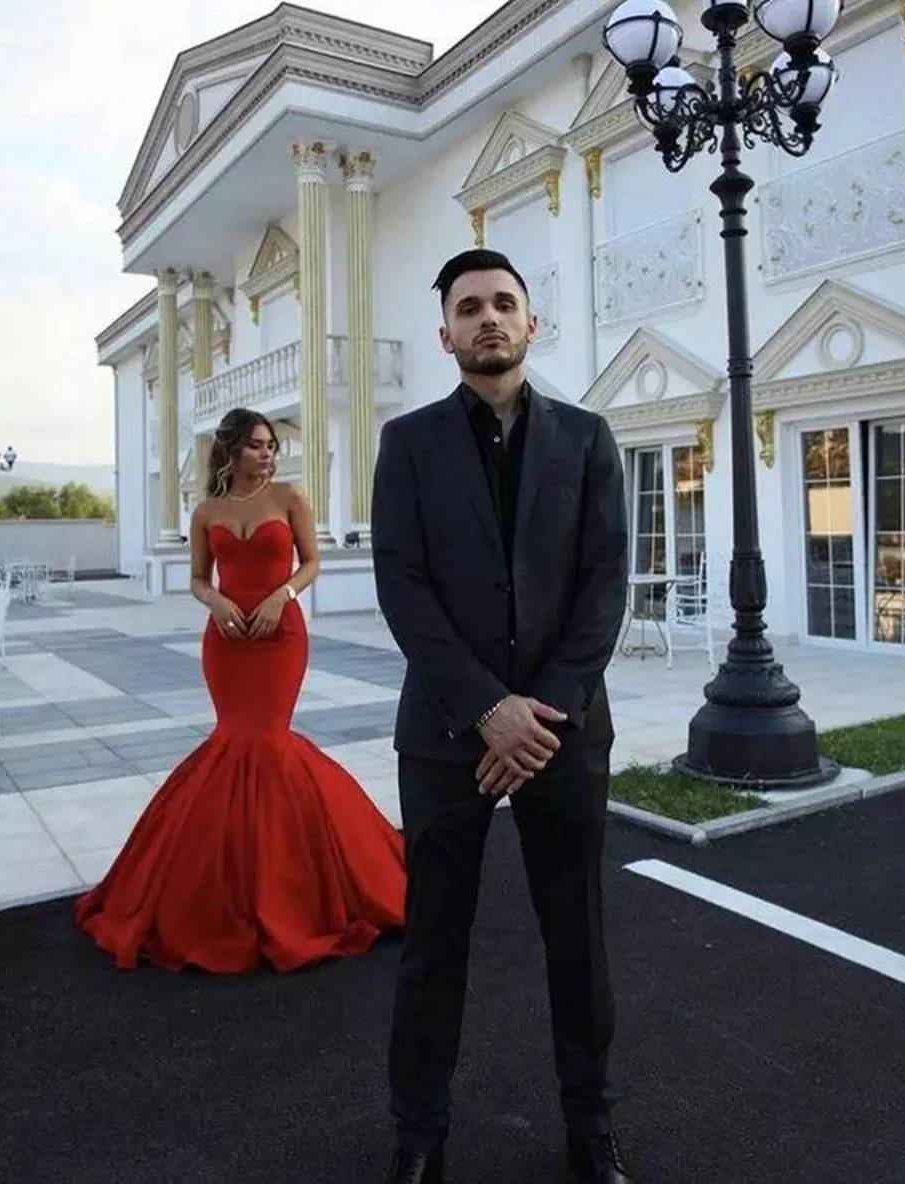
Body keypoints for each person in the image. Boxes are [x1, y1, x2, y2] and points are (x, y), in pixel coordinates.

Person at [372, 250, 632, 1184]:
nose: (489, 319)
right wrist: (488, 709)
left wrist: (540, 711)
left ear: (532, 324)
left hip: (562, 732)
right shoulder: (407, 443)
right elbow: (402, 586)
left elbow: (606, 584)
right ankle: (419, 1137)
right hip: (447, 734)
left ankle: (589, 1127)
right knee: (433, 944)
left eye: (504, 304)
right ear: (445, 333)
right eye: (469, 307)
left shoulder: (589, 439)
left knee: (579, 940)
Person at [75, 408, 405, 973]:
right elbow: (199, 579)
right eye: (257, 445)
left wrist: (282, 597)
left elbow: (313, 561)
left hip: (281, 638)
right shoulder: (206, 512)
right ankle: (224, 893)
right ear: (231, 451)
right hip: (227, 642)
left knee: (268, 741)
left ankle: (296, 888)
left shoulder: (289, 498)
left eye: (272, 445)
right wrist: (219, 603)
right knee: (234, 740)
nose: (268, 453)